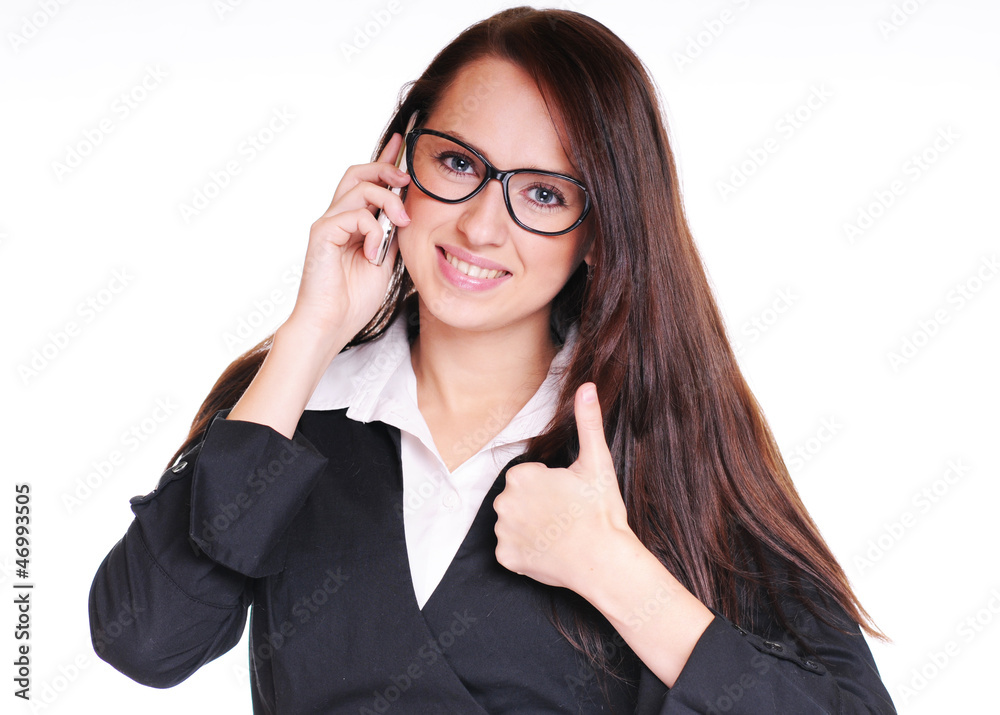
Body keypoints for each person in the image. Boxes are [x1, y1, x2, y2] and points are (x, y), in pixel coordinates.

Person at [89, 6, 897, 713]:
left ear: (598, 232)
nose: (481, 226)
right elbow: (145, 639)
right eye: (459, 164)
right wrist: (312, 330)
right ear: (399, 164)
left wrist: (613, 571)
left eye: (543, 194)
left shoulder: (656, 439)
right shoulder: (292, 400)